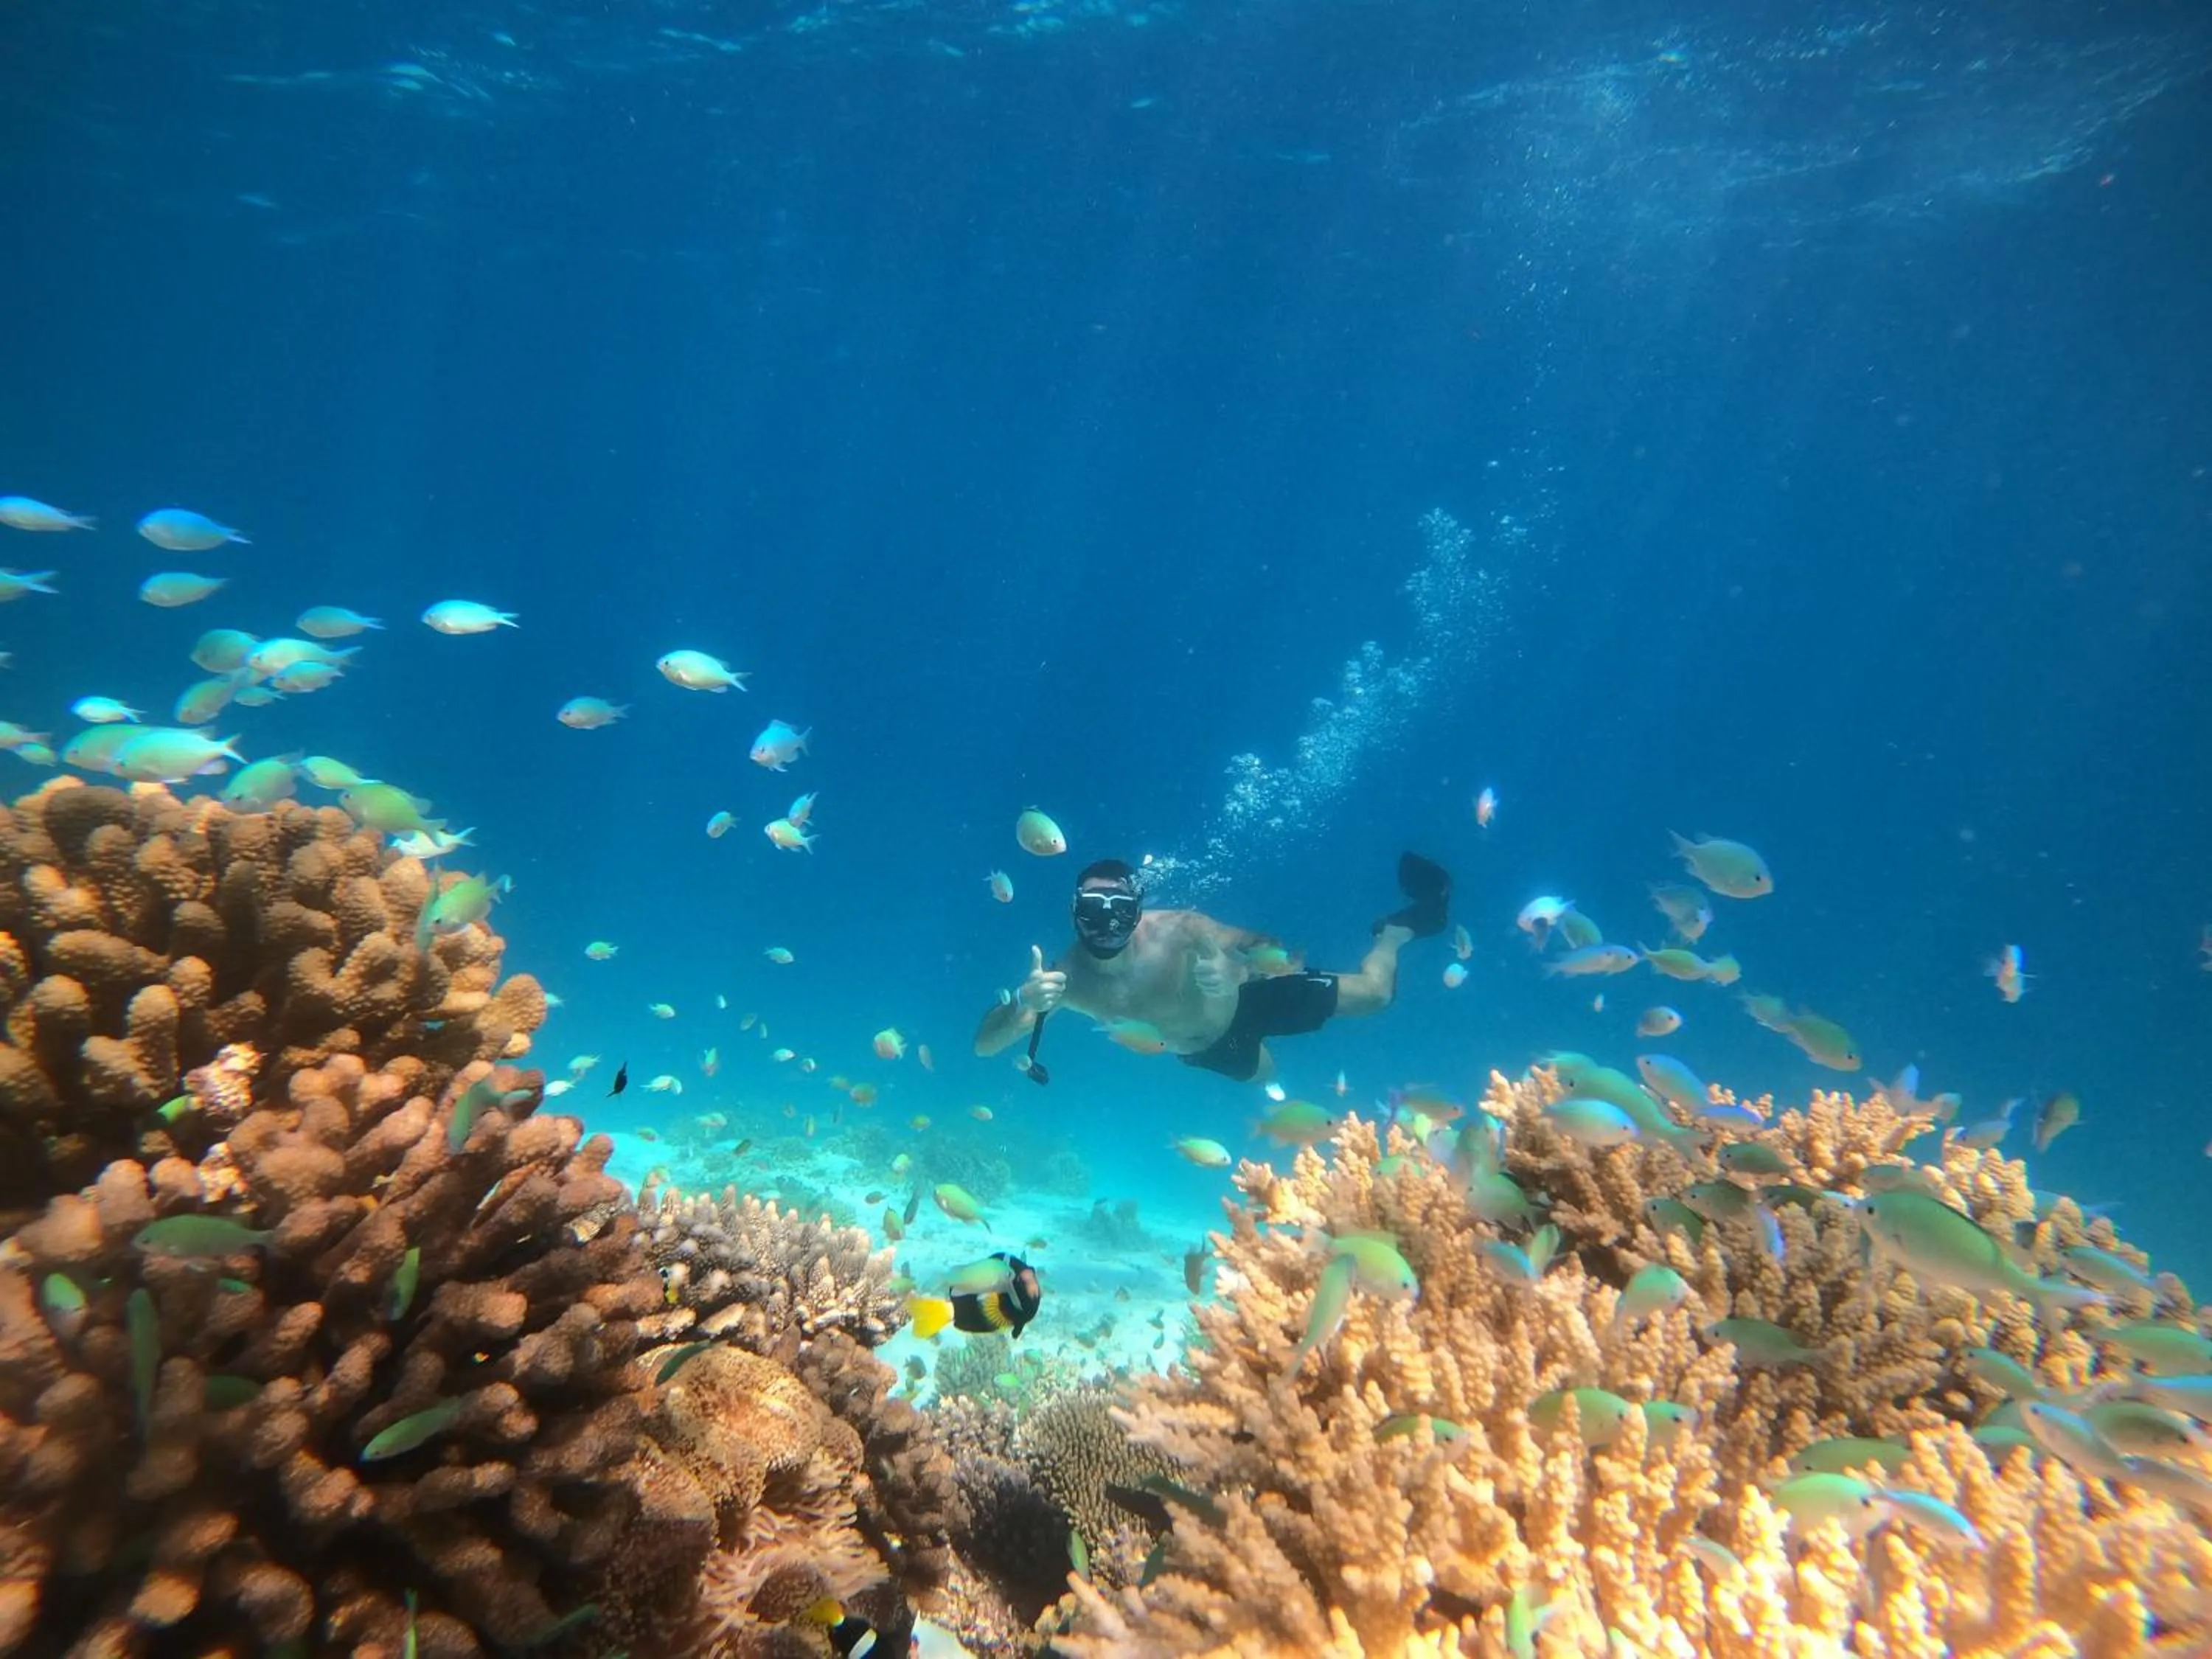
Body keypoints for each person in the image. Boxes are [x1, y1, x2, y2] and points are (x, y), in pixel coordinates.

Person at [972, 852, 1450, 1084]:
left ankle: (1393, 933)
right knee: (1270, 1080)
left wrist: (1234, 967)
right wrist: (1020, 1007)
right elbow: (984, 1047)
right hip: (1205, 1049)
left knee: (1375, 995)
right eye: (1091, 907)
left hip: (1252, 997)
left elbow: (1260, 943)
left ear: (1137, 910)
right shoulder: (1063, 980)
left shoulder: (1180, 928)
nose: (1104, 921)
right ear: (1074, 911)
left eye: (1116, 906)